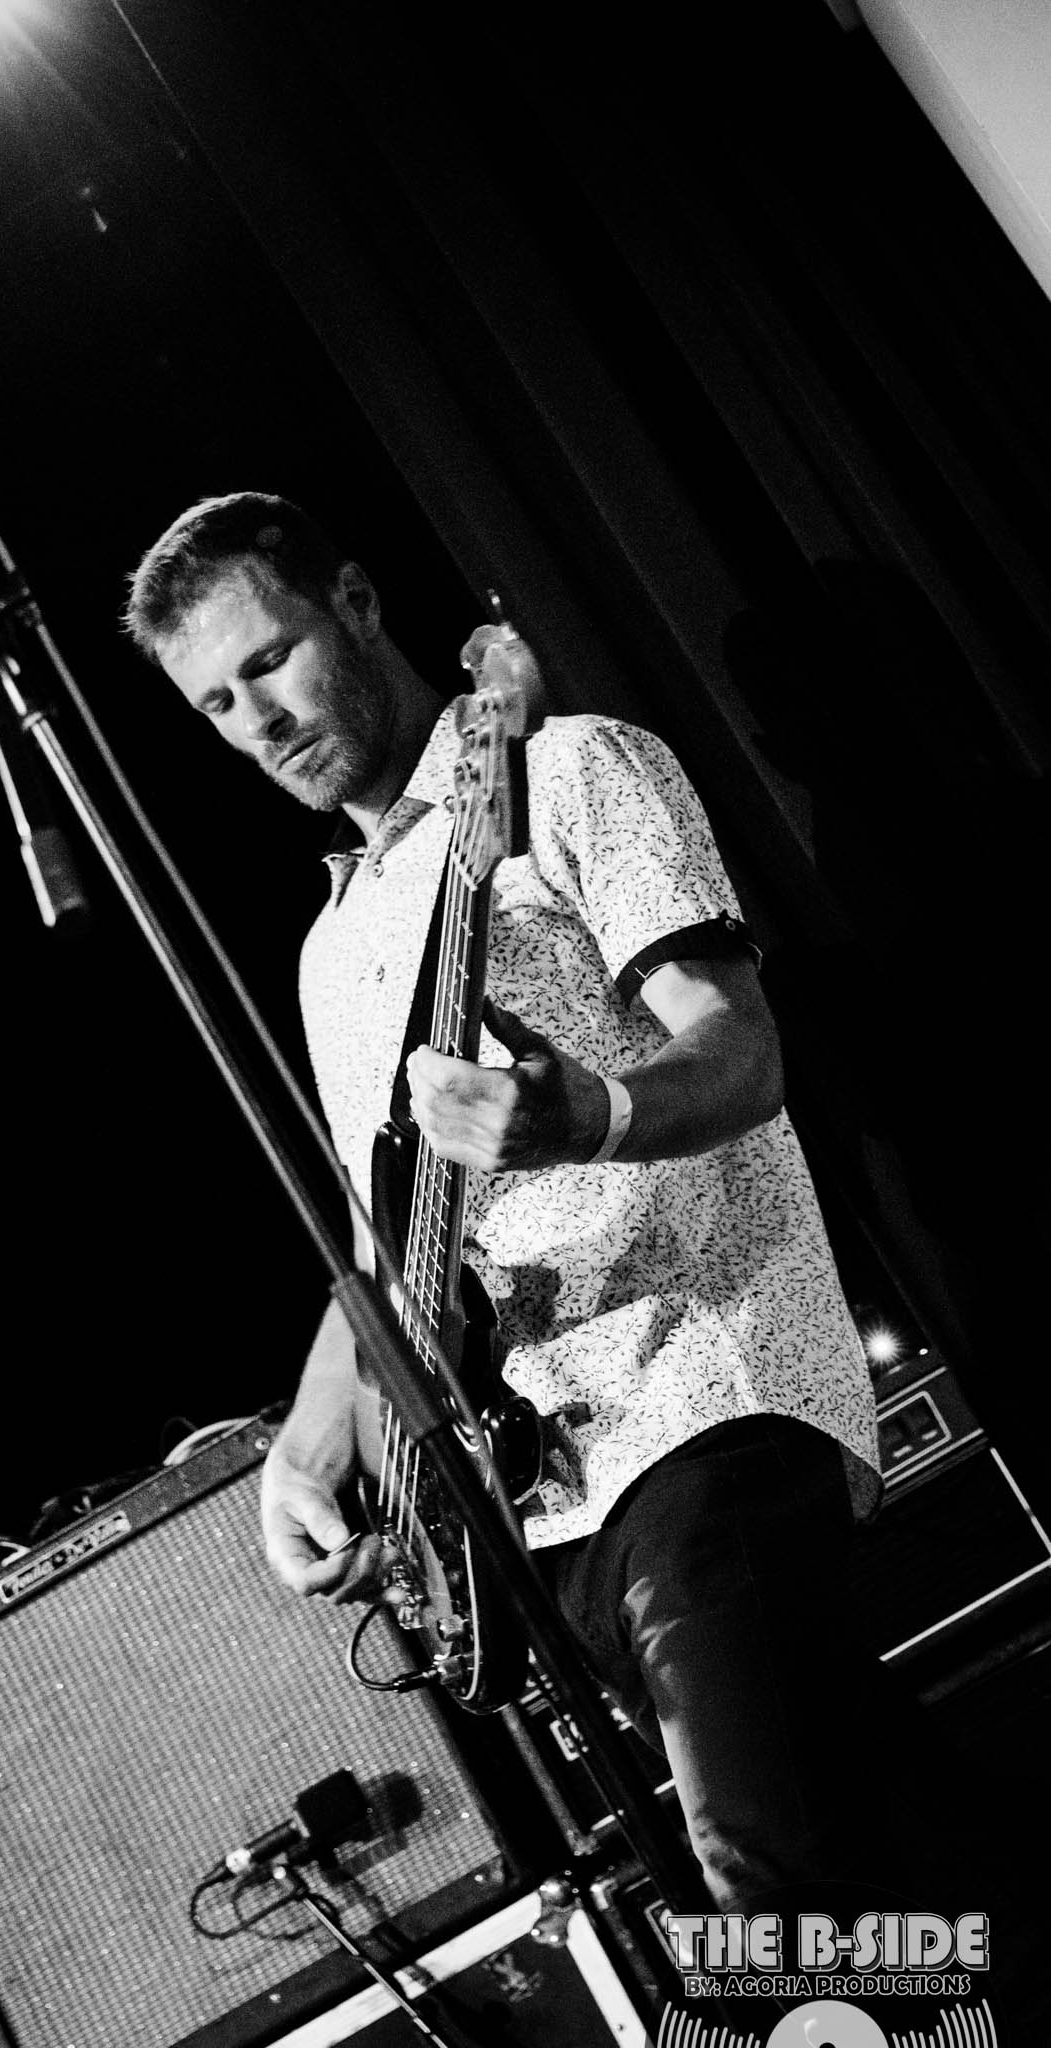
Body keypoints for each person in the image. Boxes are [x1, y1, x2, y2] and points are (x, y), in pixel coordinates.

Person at [124, 490, 912, 1917]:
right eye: (216, 704)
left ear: (357, 604)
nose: (259, 721)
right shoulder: (329, 949)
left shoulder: (566, 770)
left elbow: (742, 1052)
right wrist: (308, 1441)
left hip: (697, 1409)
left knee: (774, 1904)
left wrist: (585, 1115)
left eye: (271, 660)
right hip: (536, 1505)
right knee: (863, 1907)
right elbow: (393, 1229)